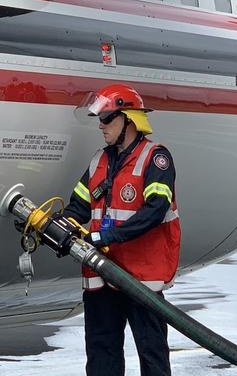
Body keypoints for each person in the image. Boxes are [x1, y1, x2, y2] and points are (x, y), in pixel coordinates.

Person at [63, 84, 180, 376]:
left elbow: (155, 211)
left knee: (152, 354)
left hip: (140, 277)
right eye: (99, 120)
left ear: (129, 120)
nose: (100, 127)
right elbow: (78, 206)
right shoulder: (98, 161)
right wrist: (58, 225)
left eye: (107, 119)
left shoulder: (155, 159)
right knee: (102, 355)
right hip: (101, 275)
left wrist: (106, 236)